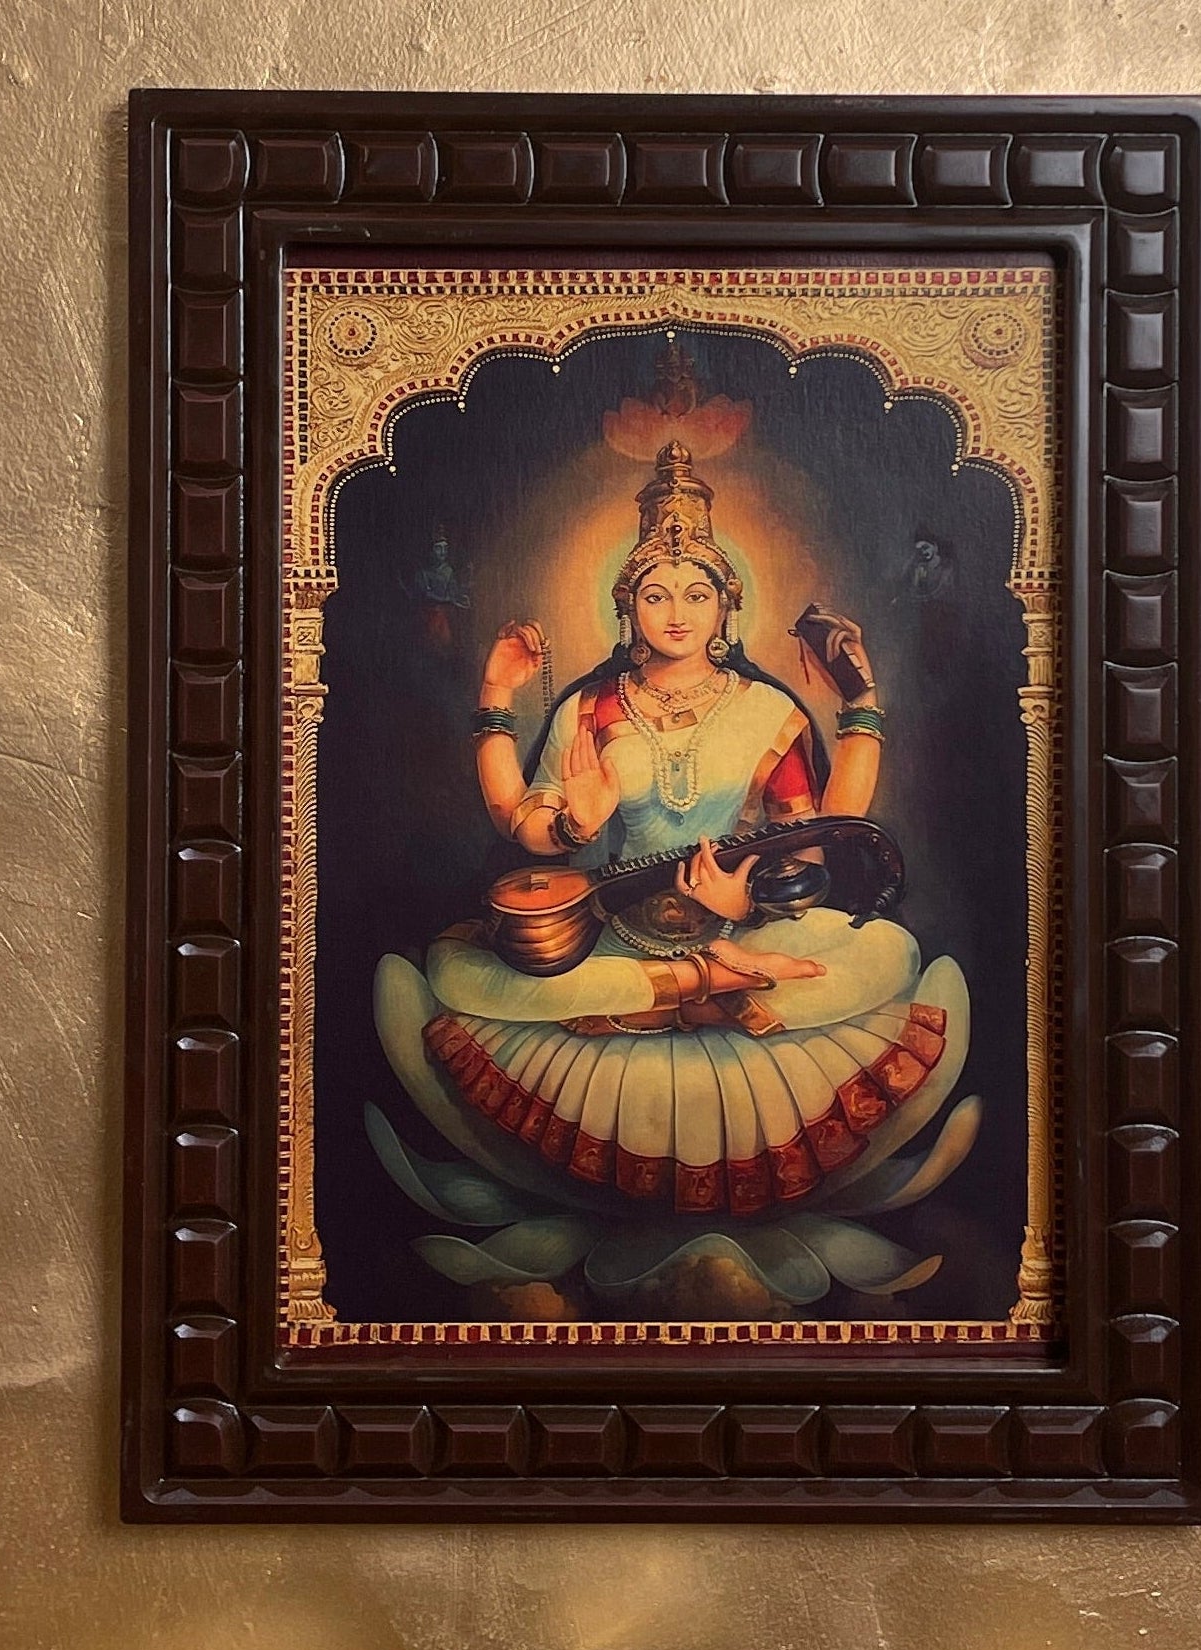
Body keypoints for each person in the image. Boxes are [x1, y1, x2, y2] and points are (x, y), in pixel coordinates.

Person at [374, 442, 969, 1216]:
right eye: (656, 595)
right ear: (629, 609)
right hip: (615, 937)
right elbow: (525, 826)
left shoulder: (769, 709)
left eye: (697, 594)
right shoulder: (591, 706)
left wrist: (859, 708)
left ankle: (712, 977)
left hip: (743, 931)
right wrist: (538, 763)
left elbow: (813, 842)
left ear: (726, 607)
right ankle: (701, 987)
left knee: (889, 953)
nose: (678, 614)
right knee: (459, 972)